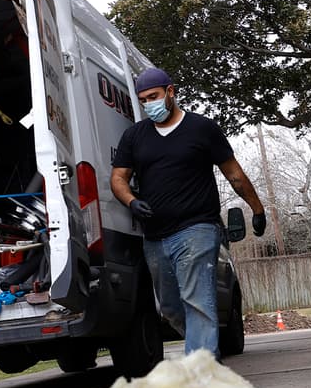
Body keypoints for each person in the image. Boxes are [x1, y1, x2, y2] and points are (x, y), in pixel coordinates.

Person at [110, 67, 267, 358]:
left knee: (197, 301)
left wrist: (257, 209)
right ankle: (204, 351)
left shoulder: (202, 128)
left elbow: (234, 174)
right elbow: (118, 178)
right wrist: (131, 201)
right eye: (144, 100)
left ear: (171, 92)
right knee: (170, 307)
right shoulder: (135, 136)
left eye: (154, 96)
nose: (149, 105)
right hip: (155, 236)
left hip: (197, 228)